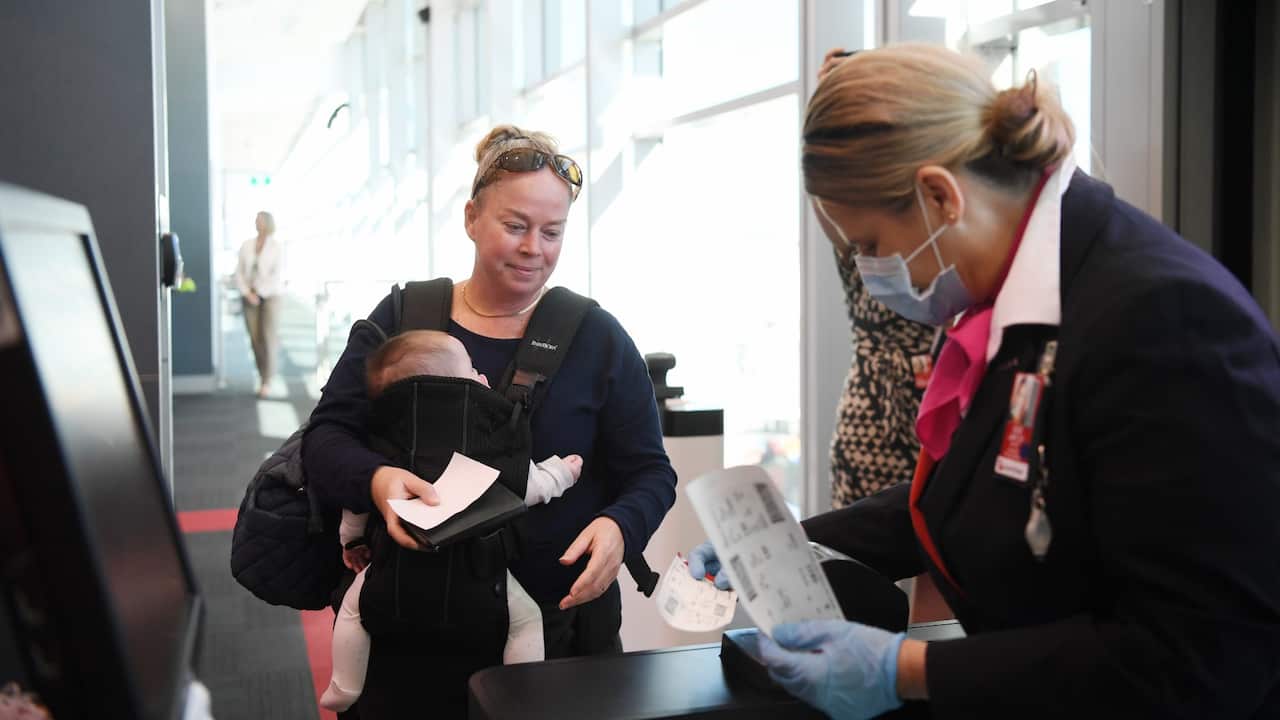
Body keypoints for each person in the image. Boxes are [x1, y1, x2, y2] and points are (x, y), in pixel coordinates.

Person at [691, 43, 1280, 718]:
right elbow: (988, 490)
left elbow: (1200, 651)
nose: (875, 274)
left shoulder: (1163, 320)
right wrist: (789, 544)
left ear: (941, 195)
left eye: (872, 245)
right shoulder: (1015, 307)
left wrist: (909, 669)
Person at [302, 124, 677, 718]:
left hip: (558, 637)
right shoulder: (403, 318)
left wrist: (619, 530)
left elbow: (653, 474)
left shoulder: (596, 338)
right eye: (516, 226)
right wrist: (376, 481)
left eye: (552, 232)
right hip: (408, 631)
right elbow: (326, 439)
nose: (535, 248)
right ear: (472, 216)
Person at [321, 329, 583, 712]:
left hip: (393, 569)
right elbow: (526, 486)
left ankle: (343, 687)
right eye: (472, 370)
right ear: (452, 388)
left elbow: (355, 503)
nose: (481, 376)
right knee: (526, 619)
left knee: (352, 610)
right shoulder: (487, 439)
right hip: (480, 577)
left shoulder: (382, 443)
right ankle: (522, 698)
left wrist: (351, 542)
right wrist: (562, 473)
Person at [815, 47, 938, 508]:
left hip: (945, 393)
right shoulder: (856, 218)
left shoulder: (933, 216)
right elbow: (826, 203)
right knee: (860, 547)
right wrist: (826, 106)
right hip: (876, 400)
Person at [234, 210, 286, 398]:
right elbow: (239, 272)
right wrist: (248, 293)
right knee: (255, 339)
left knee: (268, 337)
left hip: (271, 296)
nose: (257, 222)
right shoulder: (246, 245)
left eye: (260, 219)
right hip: (249, 296)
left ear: (268, 223)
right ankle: (261, 373)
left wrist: (259, 292)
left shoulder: (277, 247)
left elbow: (276, 275)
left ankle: (267, 380)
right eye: (256, 219)